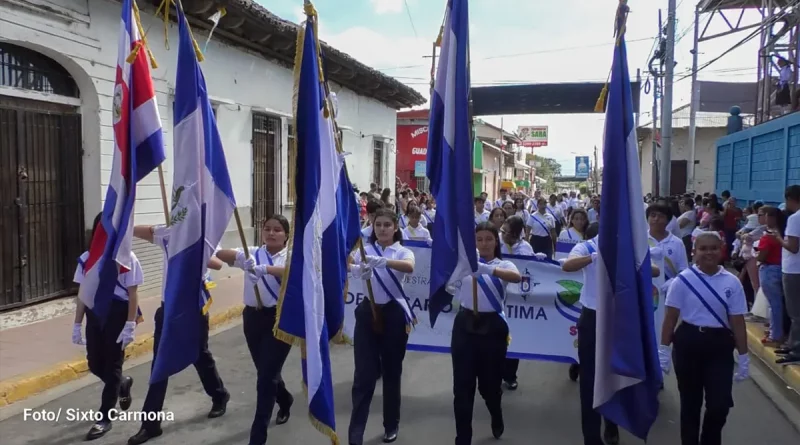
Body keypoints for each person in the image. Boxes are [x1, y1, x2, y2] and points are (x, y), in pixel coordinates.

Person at [127, 224, 230, 445]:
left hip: (193, 307)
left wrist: (191, 252)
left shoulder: (204, 234)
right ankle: (150, 424)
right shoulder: (168, 232)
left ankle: (219, 394)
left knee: (199, 355)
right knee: (160, 363)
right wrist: (123, 222)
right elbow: (136, 230)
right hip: (168, 308)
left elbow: (218, 263)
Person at [659, 232, 750, 445]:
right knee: (690, 404)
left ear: (721, 250)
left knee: (719, 405)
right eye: (703, 248)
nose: (708, 252)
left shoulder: (732, 282)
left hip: (719, 345)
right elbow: (670, 319)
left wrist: (744, 357)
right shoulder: (681, 281)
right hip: (688, 342)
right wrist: (663, 350)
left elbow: (737, 321)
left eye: (713, 248)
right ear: (694, 252)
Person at [216, 216, 294, 445]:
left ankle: (257, 436)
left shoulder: (290, 256)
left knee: (265, 378)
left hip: (279, 319)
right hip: (253, 318)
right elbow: (222, 255)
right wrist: (240, 258)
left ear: (286, 235)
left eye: (277, 230)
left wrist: (266, 269)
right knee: (265, 370)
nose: (271, 233)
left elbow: (291, 273)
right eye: (267, 229)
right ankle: (285, 398)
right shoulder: (252, 254)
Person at [72, 212, 142, 440]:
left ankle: (104, 417)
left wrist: (130, 324)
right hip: (95, 313)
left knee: (112, 366)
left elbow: (132, 295)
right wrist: (76, 323)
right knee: (94, 363)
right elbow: (83, 295)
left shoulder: (127, 258)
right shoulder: (87, 259)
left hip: (118, 314)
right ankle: (122, 383)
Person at [348, 208, 416, 444]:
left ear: (395, 228)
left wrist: (384, 261)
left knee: (391, 372)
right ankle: (356, 431)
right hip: (369, 312)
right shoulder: (364, 251)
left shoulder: (402, 250)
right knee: (364, 375)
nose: (383, 229)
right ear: (373, 227)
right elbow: (346, 263)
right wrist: (357, 269)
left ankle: (391, 424)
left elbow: (409, 267)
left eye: (388, 225)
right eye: (378, 225)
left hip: (394, 314)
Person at [451, 222, 522, 445]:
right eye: (479, 239)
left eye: (488, 239)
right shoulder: (463, 264)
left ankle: (496, 412)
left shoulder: (504, 263)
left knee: (489, 386)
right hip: (464, 325)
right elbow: (448, 283)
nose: (484, 243)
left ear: (496, 241)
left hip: (493, 329)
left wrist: (486, 269)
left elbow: (516, 277)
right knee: (462, 387)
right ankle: (463, 438)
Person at [560, 222, 619, 445]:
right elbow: (568, 265)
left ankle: (612, 424)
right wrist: (594, 257)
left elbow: (652, 269)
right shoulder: (586, 247)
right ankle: (591, 436)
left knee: (615, 374)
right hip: (593, 318)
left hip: (618, 319)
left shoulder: (624, 247)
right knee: (591, 379)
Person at [498, 216, 542, 390]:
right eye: (502, 230)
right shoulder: (497, 244)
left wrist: (538, 261)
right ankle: (494, 373)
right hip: (498, 297)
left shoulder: (525, 248)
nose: (504, 235)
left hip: (518, 303)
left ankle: (510, 376)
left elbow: (531, 272)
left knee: (514, 338)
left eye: (507, 232)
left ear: (516, 234)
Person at [775, 185, 800, 364]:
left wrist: (777, 237)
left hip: (793, 270)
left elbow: (792, 247)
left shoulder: (794, 219)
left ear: (791, 199)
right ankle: (791, 343)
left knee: (795, 313)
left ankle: (796, 349)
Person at [756, 206, 786, 346]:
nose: (763, 218)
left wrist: (757, 257)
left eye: (766, 215)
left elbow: (763, 255)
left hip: (769, 269)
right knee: (777, 304)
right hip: (780, 268)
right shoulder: (782, 233)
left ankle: (776, 336)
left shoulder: (770, 235)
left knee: (774, 304)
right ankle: (776, 330)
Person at [648, 203, 690, 295]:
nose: (656, 219)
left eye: (661, 216)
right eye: (653, 215)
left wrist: (674, 281)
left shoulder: (677, 243)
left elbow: (684, 270)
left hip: (669, 292)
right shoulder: (640, 240)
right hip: (645, 291)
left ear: (668, 221)